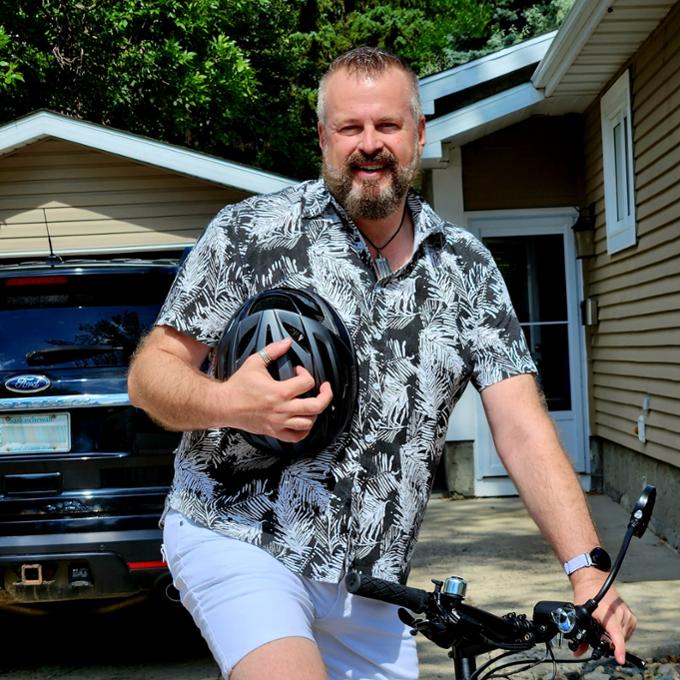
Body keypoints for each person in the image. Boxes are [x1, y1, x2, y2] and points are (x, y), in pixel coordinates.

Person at [127, 47, 636, 680]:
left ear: (419, 134)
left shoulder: (466, 268)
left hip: (372, 586)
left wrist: (586, 570)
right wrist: (232, 401)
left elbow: (523, 425)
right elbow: (151, 376)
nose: (370, 144)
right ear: (322, 138)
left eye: (387, 126)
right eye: (350, 128)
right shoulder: (249, 233)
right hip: (239, 534)